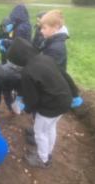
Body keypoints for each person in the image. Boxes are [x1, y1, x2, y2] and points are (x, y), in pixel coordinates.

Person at [7, 37, 80, 168]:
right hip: (64, 100)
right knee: (51, 128)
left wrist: (26, 108)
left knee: (40, 133)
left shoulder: (27, 72)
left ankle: (43, 159)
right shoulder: (45, 58)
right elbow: (65, 74)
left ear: (18, 58)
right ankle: (47, 152)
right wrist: (75, 94)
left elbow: (32, 99)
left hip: (50, 107)